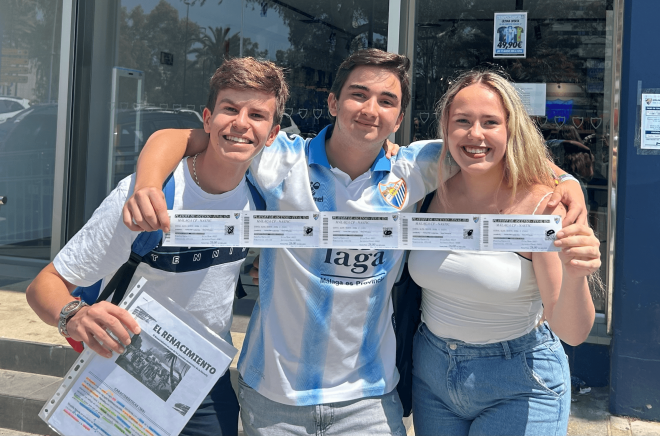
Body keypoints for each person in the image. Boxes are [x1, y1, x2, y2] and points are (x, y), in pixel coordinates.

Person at [122, 49, 588, 435]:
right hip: (273, 396)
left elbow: (499, 150)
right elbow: (180, 136)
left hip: (368, 400)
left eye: (387, 100)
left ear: (399, 117)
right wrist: (146, 183)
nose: (370, 109)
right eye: (358, 95)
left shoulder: (416, 166)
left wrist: (567, 180)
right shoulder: (280, 160)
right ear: (332, 102)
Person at [25, 57, 289, 436]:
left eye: (257, 115)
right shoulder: (150, 195)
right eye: (230, 109)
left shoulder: (260, 198)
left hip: (204, 379)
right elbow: (44, 286)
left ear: (273, 132)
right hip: (122, 372)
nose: (241, 123)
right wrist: (75, 316)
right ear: (207, 118)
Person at [408, 70, 599, 435]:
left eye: (490, 122)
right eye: (462, 121)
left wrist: (576, 276)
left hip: (519, 379)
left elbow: (572, 332)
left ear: (511, 130)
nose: (475, 134)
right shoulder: (426, 186)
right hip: (431, 374)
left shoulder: (542, 205)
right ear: (446, 128)